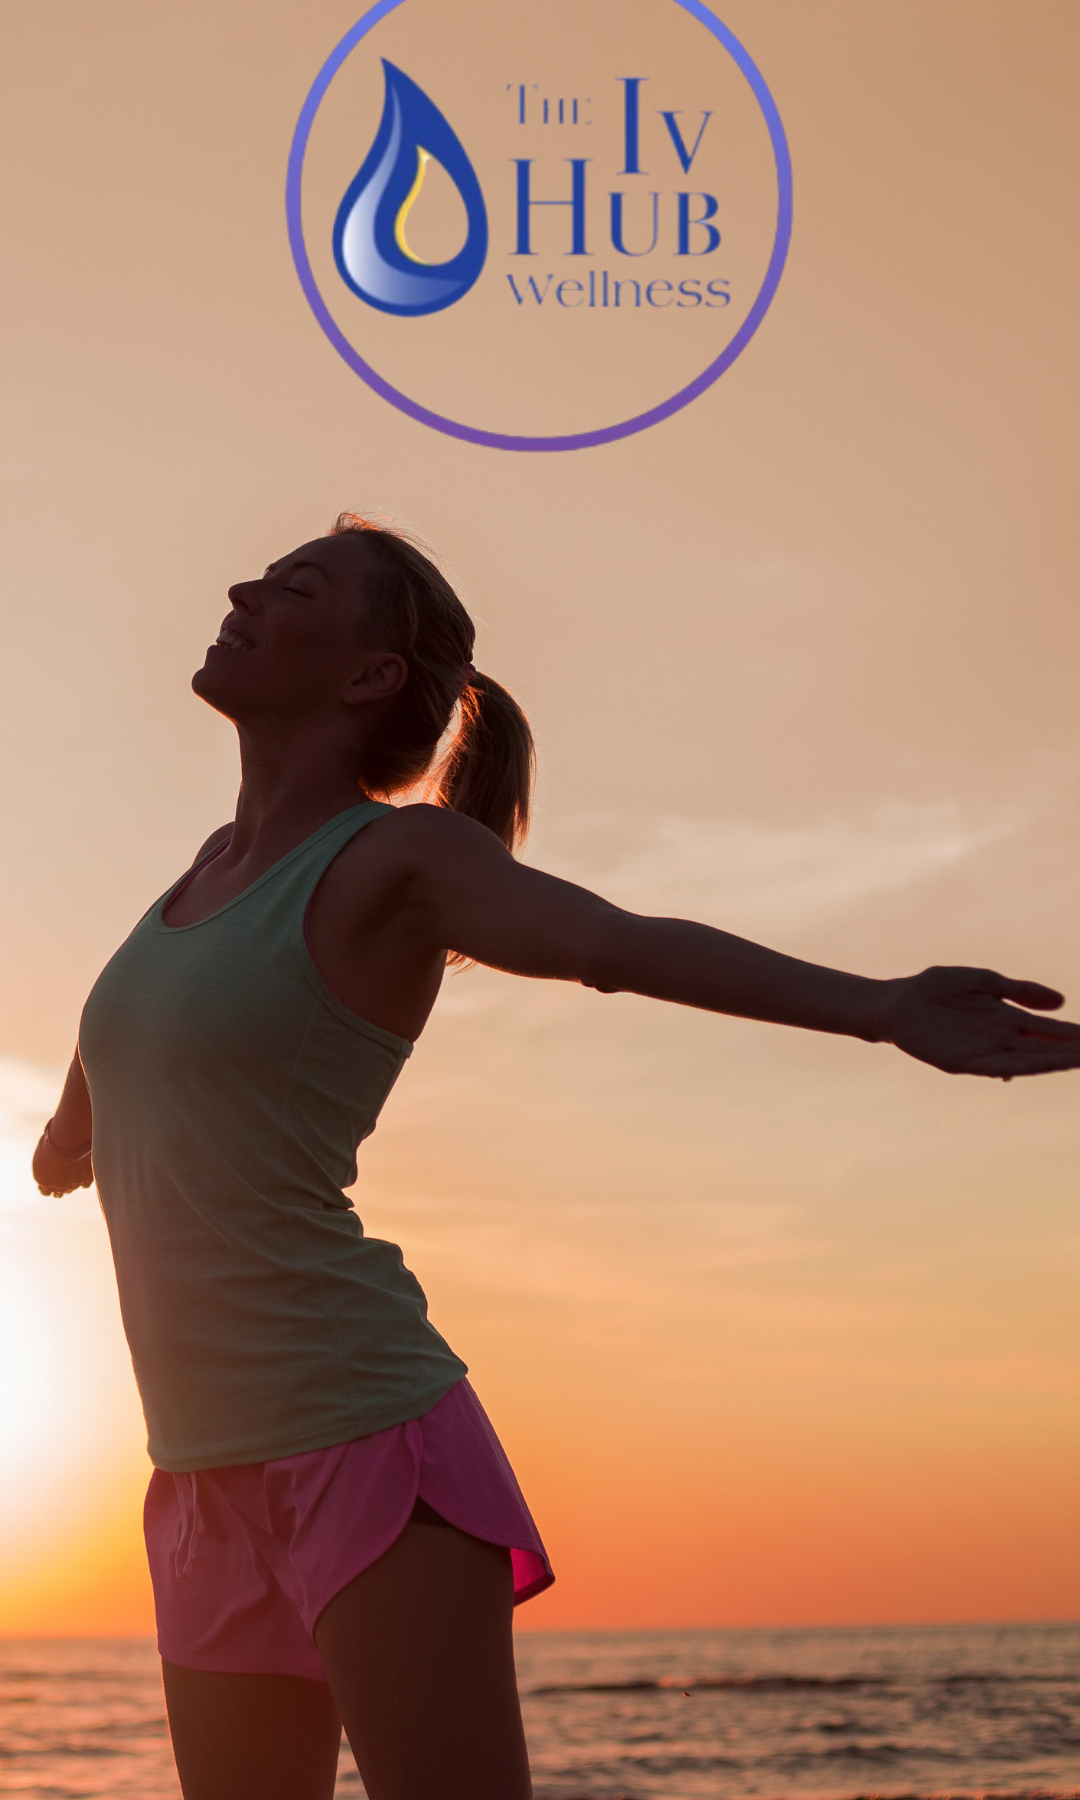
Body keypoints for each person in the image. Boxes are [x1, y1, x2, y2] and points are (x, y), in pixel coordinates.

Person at [33, 514, 1080, 1800]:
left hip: (361, 1440)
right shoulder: (198, 880)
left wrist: (879, 1006)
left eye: (295, 583)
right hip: (197, 1477)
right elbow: (137, 1027)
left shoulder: (398, 858)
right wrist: (69, 1127)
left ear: (369, 677)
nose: (245, 585)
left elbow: (615, 941)